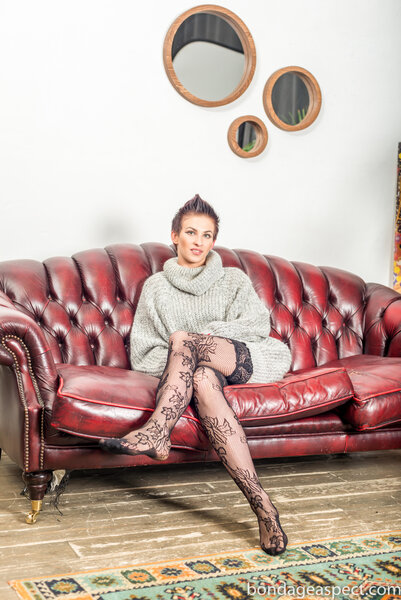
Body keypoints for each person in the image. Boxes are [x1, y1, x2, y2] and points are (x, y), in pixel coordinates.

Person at [99, 194, 292, 555]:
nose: (198, 242)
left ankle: (158, 431)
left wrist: (205, 337)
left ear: (214, 241)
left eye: (207, 235)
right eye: (191, 232)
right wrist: (186, 359)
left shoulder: (233, 279)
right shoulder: (156, 288)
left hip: (245, 355)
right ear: (174, 236)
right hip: (201, 371)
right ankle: (264, 508)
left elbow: (256, 325)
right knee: (200, 375)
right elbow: (144, 354)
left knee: (184, 340)